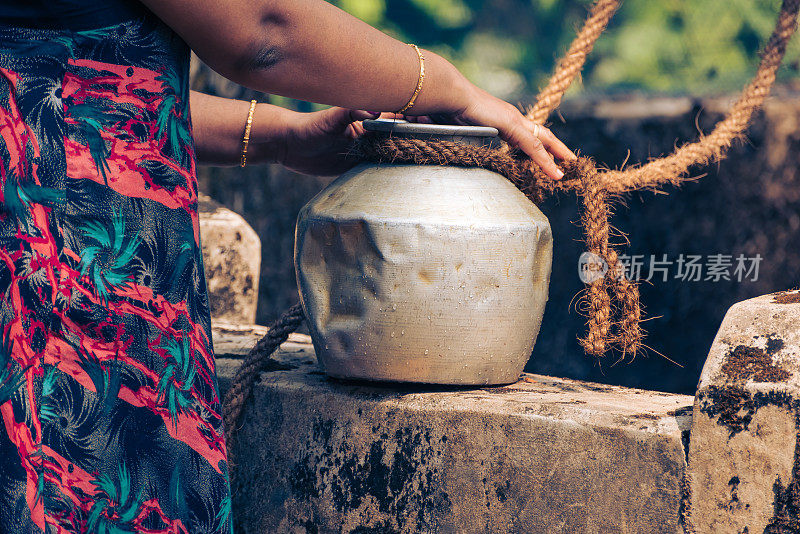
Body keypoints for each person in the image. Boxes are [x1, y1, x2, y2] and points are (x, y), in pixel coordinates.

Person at [0, 0, 574, 532]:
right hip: (65, 292)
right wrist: (449, 86)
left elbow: (68, 85)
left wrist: (281, 135)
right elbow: (265, 28)